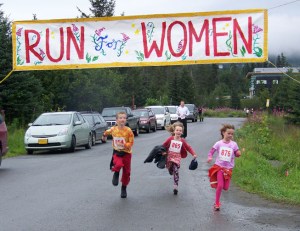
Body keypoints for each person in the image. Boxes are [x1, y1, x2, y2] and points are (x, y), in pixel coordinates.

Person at [207, 124, 241, 211]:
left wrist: (238, 153)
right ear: (223, 133)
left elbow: (237, 152)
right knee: (220, 186)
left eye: (232, 134)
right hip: (219, 167)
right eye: (228, 133)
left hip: (228, 169)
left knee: (226, 187)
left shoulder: (234, 144)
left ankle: (218, 185)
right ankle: (217, 203)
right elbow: (211, 152)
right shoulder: (218, 143)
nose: (230, 135)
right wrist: (210, 157)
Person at [102, 111, 134, 198]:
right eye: (120, 118)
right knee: (118, 164)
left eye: (124, 118)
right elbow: (106, 132)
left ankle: (124, 188)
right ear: (116, 120)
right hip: (117, 152)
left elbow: (131, 143)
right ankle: (116, 173)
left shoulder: (128, 131)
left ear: (126, 120)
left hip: (127, 153)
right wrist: (104, 136)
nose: (122, 119)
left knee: (127, 173)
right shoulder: (113, 129)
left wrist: (124, 145)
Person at [162, 122, 197, 195]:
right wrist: (163, 152)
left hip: (177, 158)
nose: (178, 132)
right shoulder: (170, 139)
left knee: (176, 171)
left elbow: (188, 147)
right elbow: (163, 146)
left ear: (182, 132)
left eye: (180, 131)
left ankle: (175, 187)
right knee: (171, 169)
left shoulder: (182, 141)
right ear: (174, 131)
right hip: (169, 157)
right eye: (177, 130)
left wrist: (193, 154)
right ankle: (169, 169)